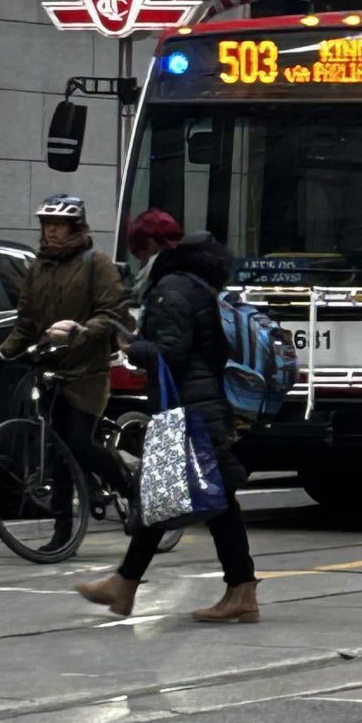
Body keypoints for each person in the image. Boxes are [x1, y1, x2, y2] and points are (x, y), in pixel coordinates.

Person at [75, 230, 258, 624]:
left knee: (174, 495)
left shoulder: (172, 288)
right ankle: (130, 584)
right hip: (206, 403)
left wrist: (131, 347)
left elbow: (172, 352)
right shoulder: (205, 288)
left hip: (187, 408)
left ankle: (237, 590)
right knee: (181, 496)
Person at [0, 195, 136, 530]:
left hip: (87, 373)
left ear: (75, 227)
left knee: (78, 442)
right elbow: (25, 325)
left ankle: (133, 491)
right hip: (49, 370)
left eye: (58, 225)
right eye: (47, 224)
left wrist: (80, 330)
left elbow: (112, 313)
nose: (52, 231)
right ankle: (63, 531)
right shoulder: (38, 268)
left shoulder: (96, 263)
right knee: (58, 449)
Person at [124, 207, 183, 303]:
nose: (141, 265)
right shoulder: (192, 266)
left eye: (140, 257)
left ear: (151, 244)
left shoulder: (157, 275)